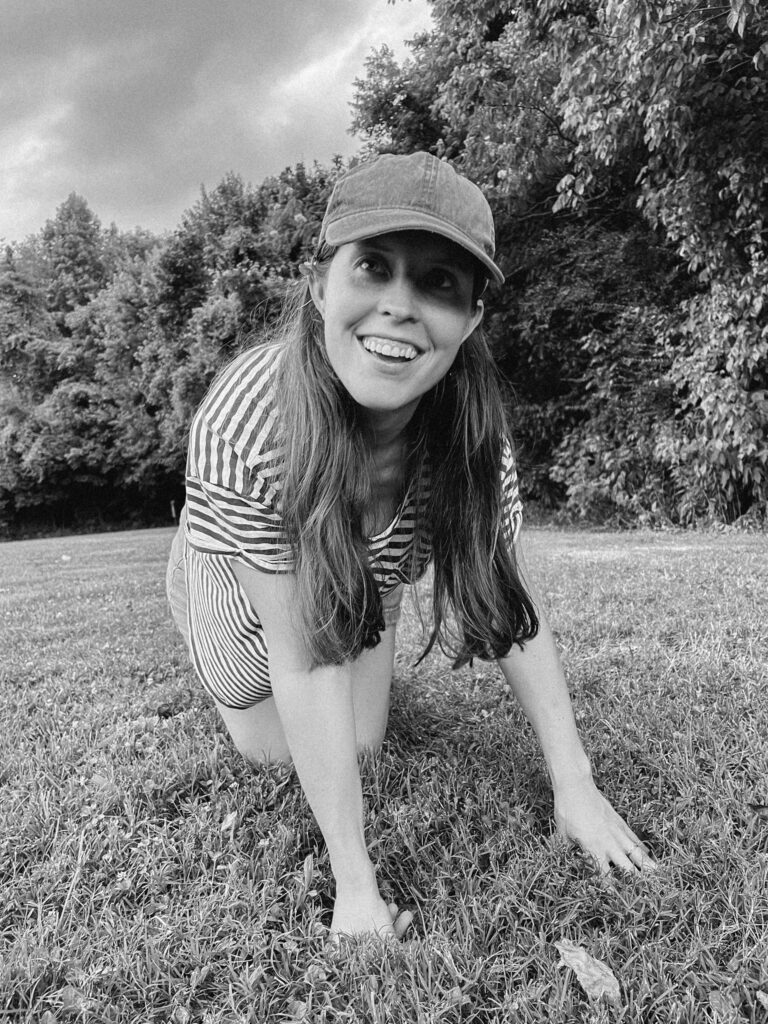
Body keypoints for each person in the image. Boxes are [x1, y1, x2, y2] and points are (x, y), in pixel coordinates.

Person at [166, 151, 655, 943]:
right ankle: (194, 566)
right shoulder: (250, 423)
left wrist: (577, 785)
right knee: (272, 753)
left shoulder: (471, 440)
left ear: (471, 319)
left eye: (437, 283)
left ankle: (357, 588)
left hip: (363, 568)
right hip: (245, 575)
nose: (399, 306)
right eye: (374, 268)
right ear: (319, 283)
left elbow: (505, 606)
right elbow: (300, 659)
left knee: (362, 737)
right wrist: (354, 885)